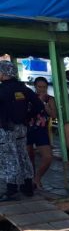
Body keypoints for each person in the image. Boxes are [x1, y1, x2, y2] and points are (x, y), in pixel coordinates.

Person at [0, 60, 41, 201]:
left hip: (6, 129)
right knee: (23, 155)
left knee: (9, 158)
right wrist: (27, 117)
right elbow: (38, 105)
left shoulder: (2, 89)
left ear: (3, 73)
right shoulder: (23, 88)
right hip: (22, 128)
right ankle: (27, 187)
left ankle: (11, 190)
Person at [27, 76, 56, 190]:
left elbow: (54, 115)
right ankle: (32, 179)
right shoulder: (29, 97)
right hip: (28, 128)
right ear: (35, 86)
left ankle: (37, 178)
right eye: (39, 87)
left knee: (48, 157)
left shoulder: (50, 99)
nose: (42, 89)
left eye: (44, 87)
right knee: (29, 156)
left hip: (42, 129)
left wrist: (43, 104)